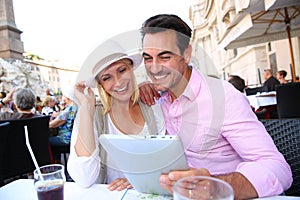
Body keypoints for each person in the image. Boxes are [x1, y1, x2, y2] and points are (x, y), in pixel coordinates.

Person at [139, 14, 292, 199]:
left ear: (186, 54)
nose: (154, 69)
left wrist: (215, 186)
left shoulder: (223, 98)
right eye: (148, 58)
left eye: (164, 57)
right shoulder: (158, 100)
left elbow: (278, 169)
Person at [67, 40, 166, 191]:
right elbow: (84, 178)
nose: (118, 82)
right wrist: (86, 109)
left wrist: (140, 179)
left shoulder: (153, 107)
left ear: (131, 69)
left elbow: (165, 162)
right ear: (101, 85)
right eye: (107, 78)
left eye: (122, 70)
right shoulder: (92, 115)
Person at [49, 87, 78, 162]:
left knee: (46, 141)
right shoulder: (76, 107)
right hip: (74, 139)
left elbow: (52, 125)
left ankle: (55, 162)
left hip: (65, 139)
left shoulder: (69, 109)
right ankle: (57, 161)